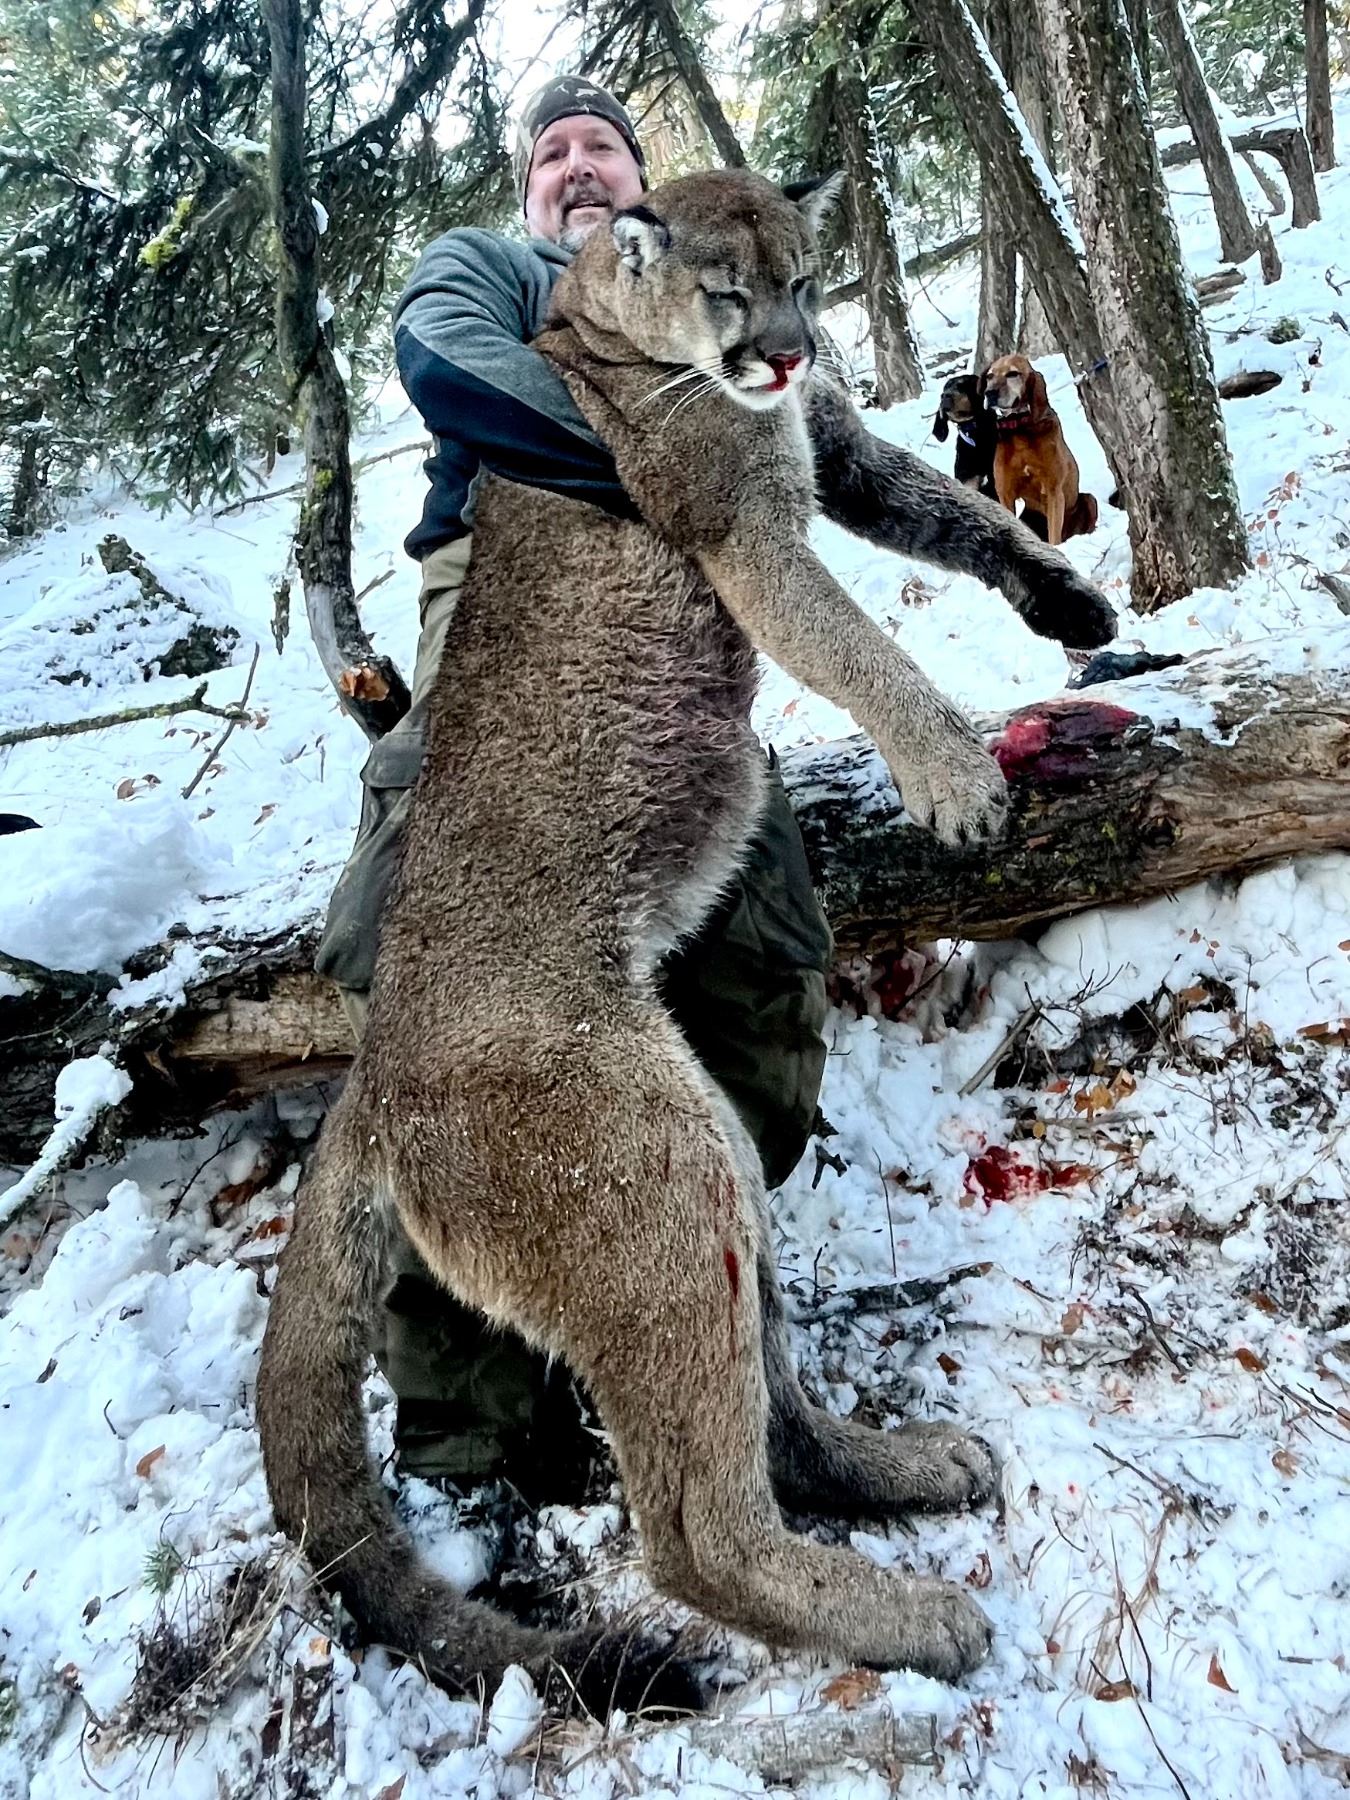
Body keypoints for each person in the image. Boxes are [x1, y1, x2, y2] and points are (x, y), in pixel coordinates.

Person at [314, 75, 835, 1495]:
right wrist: (671, 464)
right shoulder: (493, 266)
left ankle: (675, 1325)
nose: (580, 164)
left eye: (605, 144)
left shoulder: (722, 301)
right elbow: (445, 364)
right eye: (552, 151)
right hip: (510, 633)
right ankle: (473, 1436)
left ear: (652, 189)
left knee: (759, 952)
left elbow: (814, 452)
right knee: (421, 987)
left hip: (682, 658)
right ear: (528, 188)